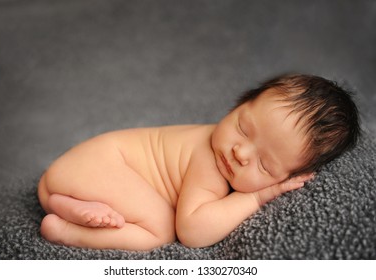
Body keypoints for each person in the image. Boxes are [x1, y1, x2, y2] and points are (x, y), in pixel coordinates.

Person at [37, 74, 360, 250]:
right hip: (100, 165)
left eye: (264, 165)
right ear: (238, 104)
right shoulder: (211, 159)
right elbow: (193, 231)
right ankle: (65, 230)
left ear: (289, 175)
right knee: (160, 230)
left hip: (82, 170)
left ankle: (67, 202)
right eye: (242, 127)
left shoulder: (227, 150)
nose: (240, 153)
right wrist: (257, 195)